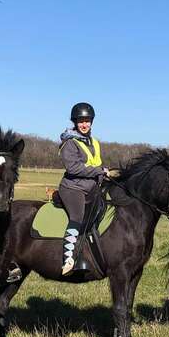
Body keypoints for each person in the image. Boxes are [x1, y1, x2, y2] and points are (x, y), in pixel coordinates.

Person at [58, 102, 109, 275]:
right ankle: (69, 259)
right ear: (75, 122)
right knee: (77, 216)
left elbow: (97, 163)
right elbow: (73, 168)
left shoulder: (94, 142)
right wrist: (98, 171)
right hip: (73, 188)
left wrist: (105, 174)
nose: (84, 124)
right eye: (81, 121)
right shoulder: (69, 142)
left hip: (92, 188)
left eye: (87, 120)